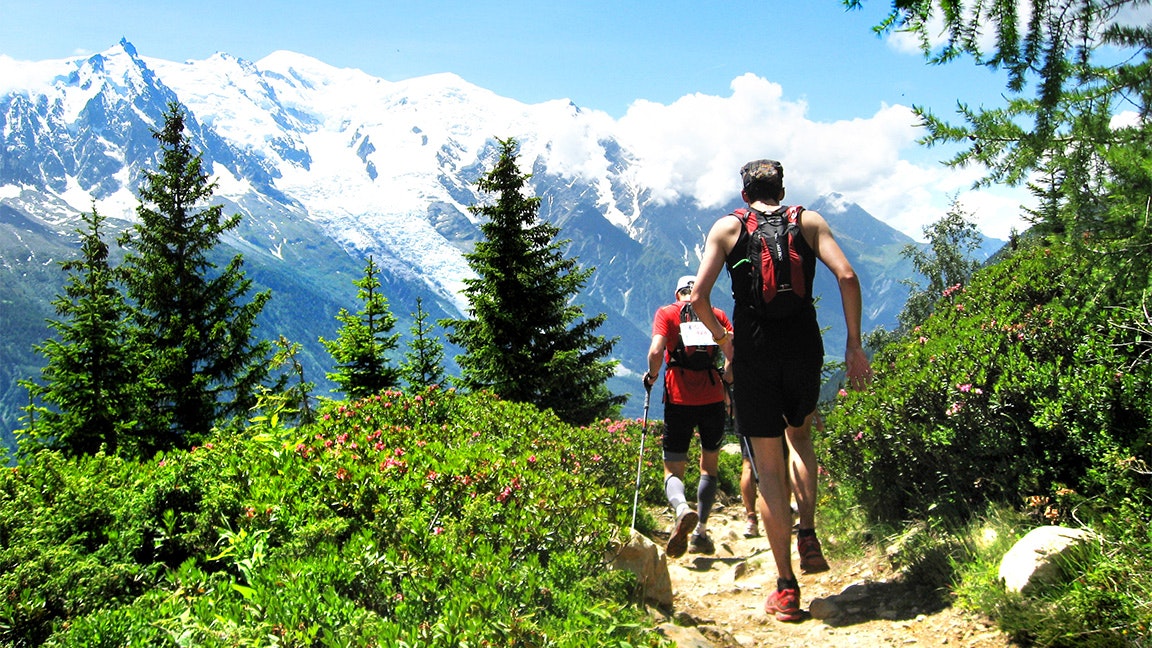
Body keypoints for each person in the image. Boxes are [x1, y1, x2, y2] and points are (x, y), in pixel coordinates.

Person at [690, 159, 872, 622]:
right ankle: (808, 532)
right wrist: (853, 345)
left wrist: (725, 342)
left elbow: (698, 298)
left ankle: (786, 587)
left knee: (768, 471)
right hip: (803, 345)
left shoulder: (728, 228)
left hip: (753, 351)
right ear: (782, 187)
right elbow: (847, 277)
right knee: (802, 437)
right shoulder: (807, 221)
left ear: (746, 191)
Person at [643, 275, 734, 558]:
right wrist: (727, 380)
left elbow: (657, 350)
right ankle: (701, 533)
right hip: (712, 396)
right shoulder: (716, 314)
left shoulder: (667, 314)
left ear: (677, 292)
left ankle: (682, 509)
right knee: (710, 466)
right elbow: (733, 350)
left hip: (679, 397)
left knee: (672, 468)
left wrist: (653, 376)